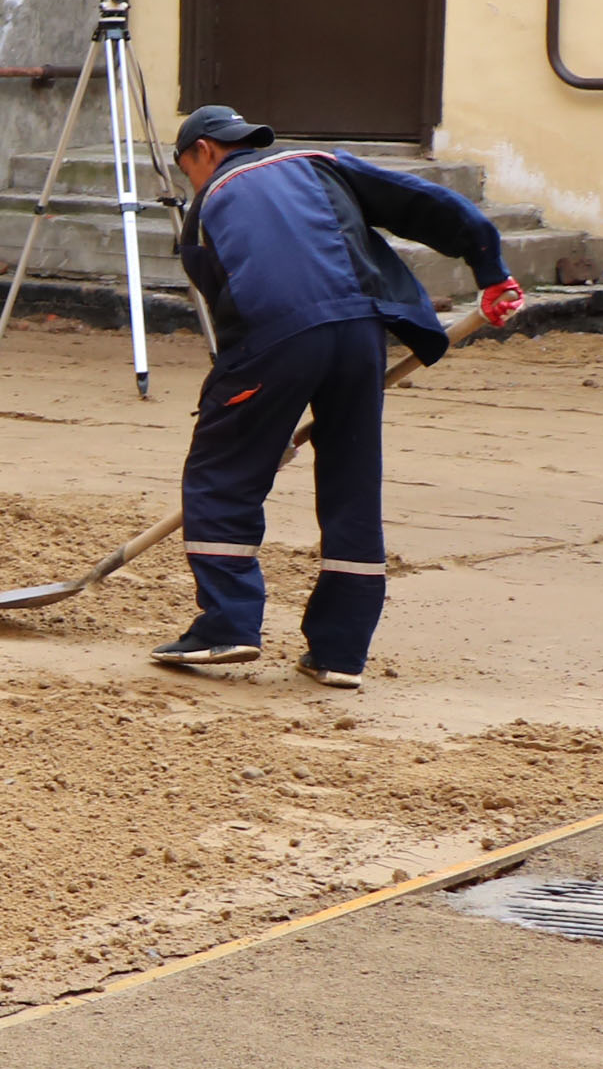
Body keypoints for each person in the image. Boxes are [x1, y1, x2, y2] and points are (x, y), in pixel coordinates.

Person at [155, 104, 525, 686]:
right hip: (362, 329)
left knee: (219, 474)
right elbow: (426, 203)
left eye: (187, 171)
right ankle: (340, 652)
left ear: (201, 152)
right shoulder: (318, 162)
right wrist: (492, 271)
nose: (191, 182)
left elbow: (233, 320)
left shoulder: (204, 210)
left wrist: (258, 430)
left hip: (277, 334)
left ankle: (227, 625)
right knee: (352, 482)